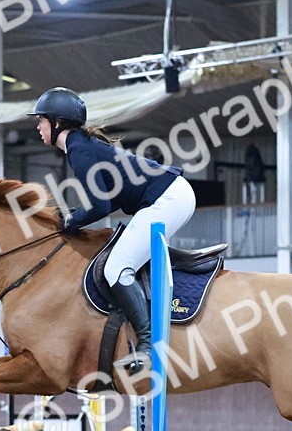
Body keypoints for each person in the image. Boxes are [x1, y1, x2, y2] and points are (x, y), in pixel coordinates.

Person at [29, 87, 196, 373]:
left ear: (57, 122)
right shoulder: (81, 146)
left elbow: (99, 207)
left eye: (42, 120)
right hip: (167, 196)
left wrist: (70, 221)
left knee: (116, 268)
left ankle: (148, 347)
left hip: (168, 198)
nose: (38, 126)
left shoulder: (80, 150)